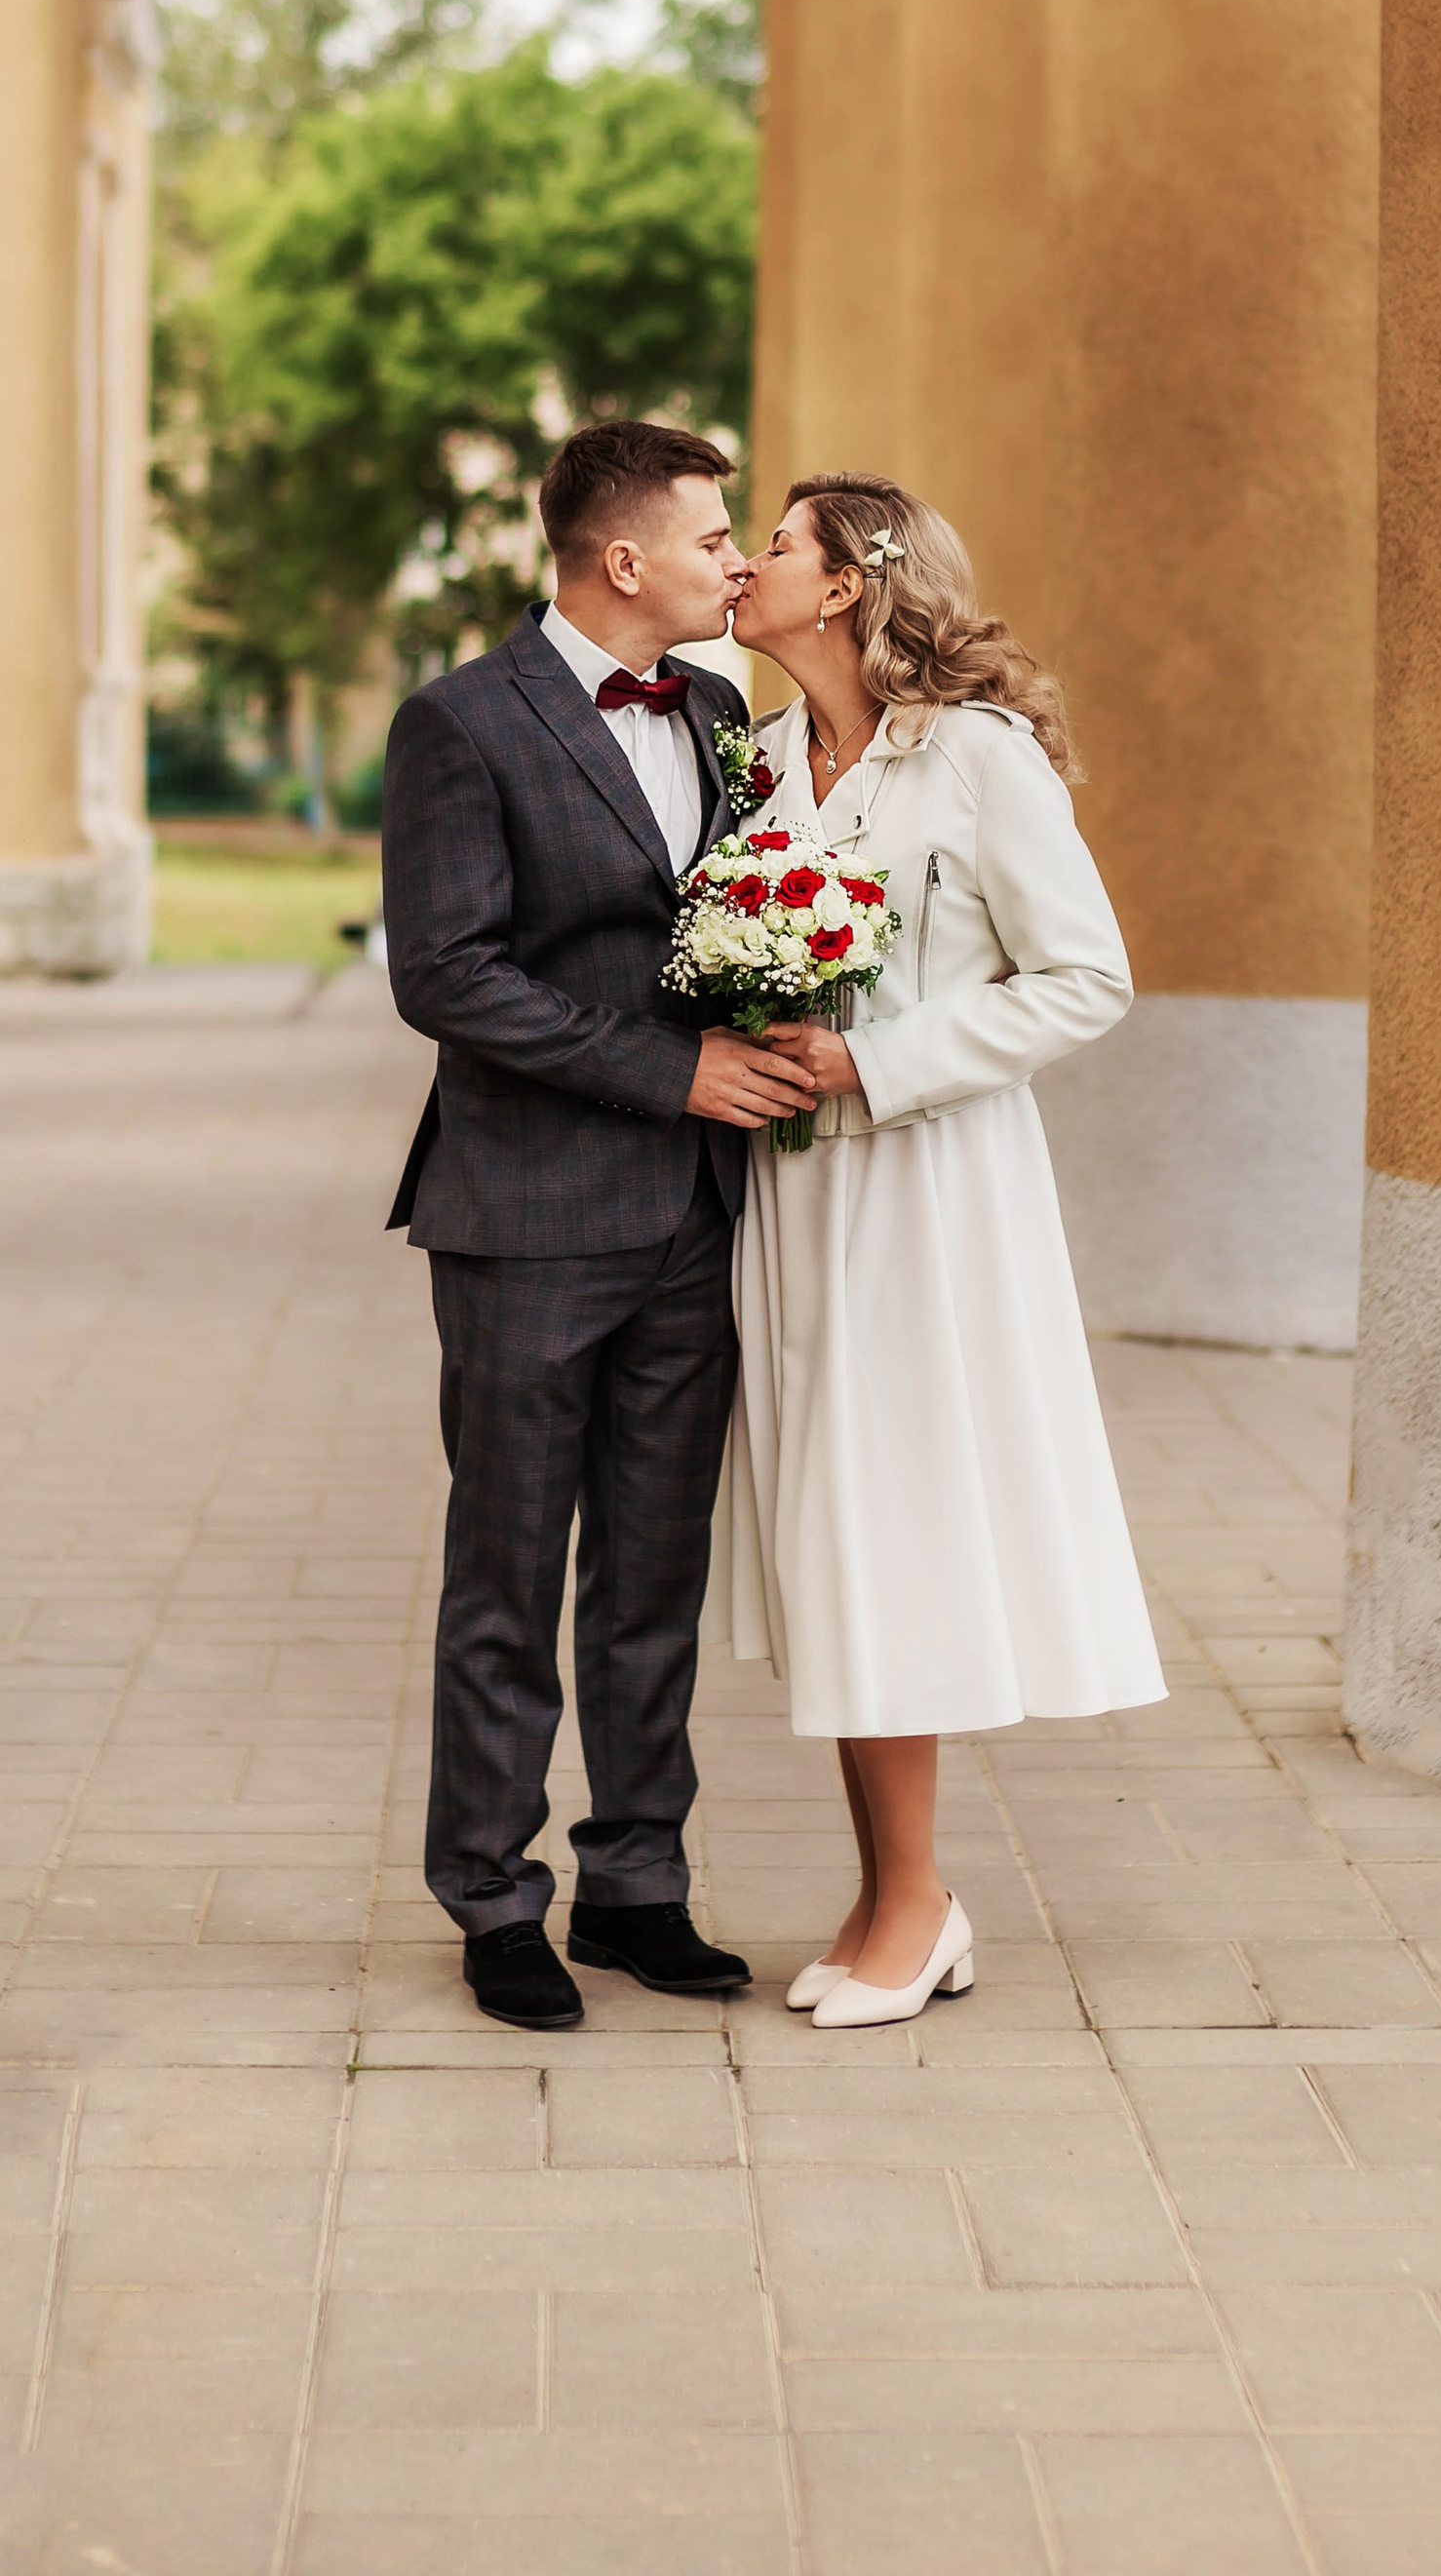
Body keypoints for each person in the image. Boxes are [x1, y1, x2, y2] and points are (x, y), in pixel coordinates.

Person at [380, 420, 816, 2031]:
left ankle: (639, 1883)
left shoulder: (718, 709)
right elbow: (448, 974)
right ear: (622, 560)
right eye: (716, 538)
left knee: (653, 1574)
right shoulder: (460, 723)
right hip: (525, 1215)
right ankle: (494, 1899)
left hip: (696, 1221)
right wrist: (675, 1073)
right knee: (506, 1569)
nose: (738, 562)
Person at [722, 470, 1165, 2029]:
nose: (745, 565)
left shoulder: (972, 759)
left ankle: (915, 1899)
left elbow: (1085, 978)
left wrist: (877, 1061)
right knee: (837, 1536)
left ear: (845, 583)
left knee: (893, 1525)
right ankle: (894, 1891)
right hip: (793, 1201)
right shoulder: (758, 759)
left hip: (930, 1194)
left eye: (771, 545)